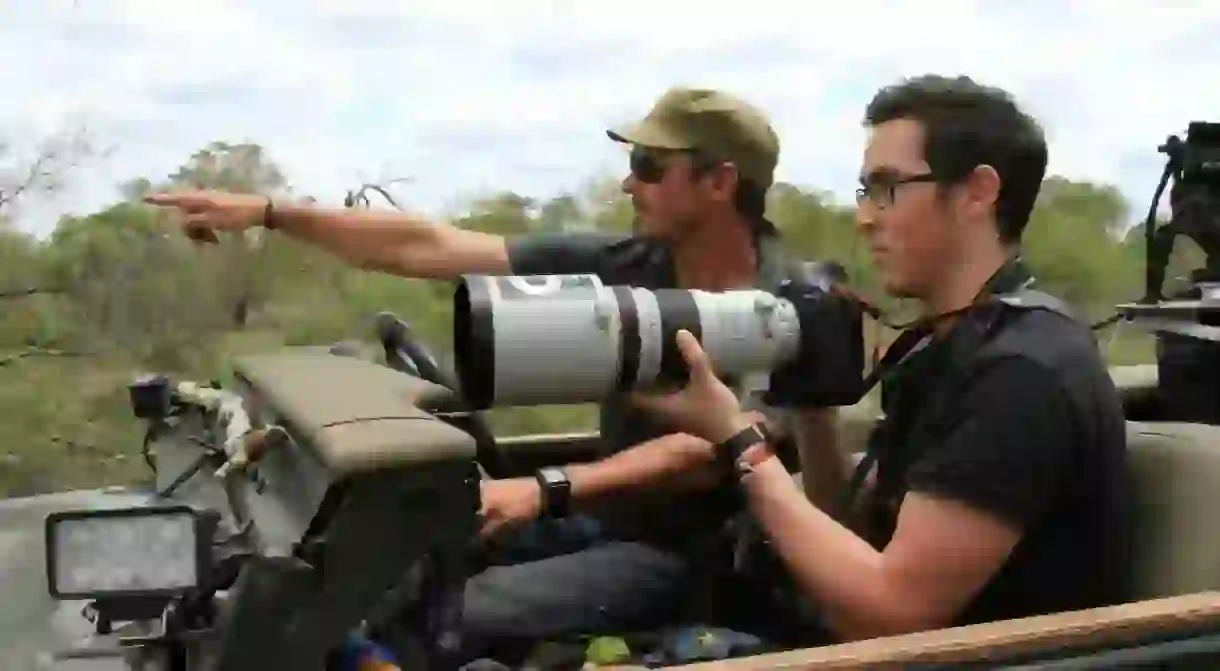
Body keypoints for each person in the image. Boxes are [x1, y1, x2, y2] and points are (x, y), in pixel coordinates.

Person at [143, 86, 837, 657]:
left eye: (653, 166)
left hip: (693, 555)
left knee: (443, 619)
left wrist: (544, 490)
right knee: (379, 567)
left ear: (719, 181)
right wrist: (267, 212)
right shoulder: (628, 265)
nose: (630, 182)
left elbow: (722, 445)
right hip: (594, 512)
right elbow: (428, 245)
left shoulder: (792, 307)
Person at [632, 74, 1133, 644]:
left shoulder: (1022, 372)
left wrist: (739, 443)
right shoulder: (946, 346)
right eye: (864, 191)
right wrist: (813, 403)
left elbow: (888, 612)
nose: (865, 217)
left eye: (888, 188)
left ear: (978, 192)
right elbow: (855, 541)